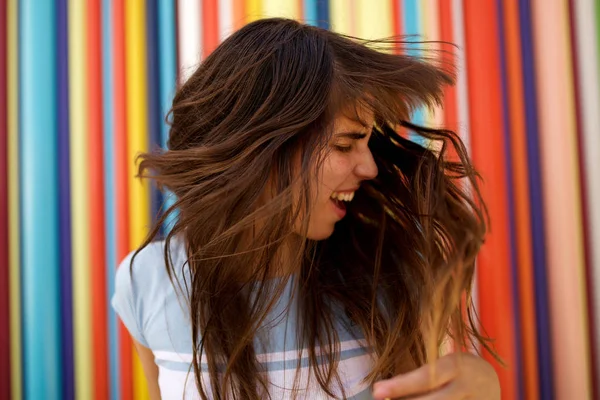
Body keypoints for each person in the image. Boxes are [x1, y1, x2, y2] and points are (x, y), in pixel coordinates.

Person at [112, 18, 501, 400]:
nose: (370, 168)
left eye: (366, 144)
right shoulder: (144, 282)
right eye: (345, 145)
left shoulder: (383, 284)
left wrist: (485, 389)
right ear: (261, 150)